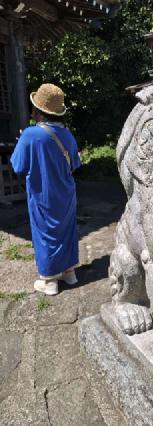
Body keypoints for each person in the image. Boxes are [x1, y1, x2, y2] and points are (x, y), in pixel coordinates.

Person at [11, 83, 81, 295]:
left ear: (37, 111)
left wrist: (23, 141)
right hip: (67, 193)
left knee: (45, 232)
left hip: (44, 194)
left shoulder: (31, 135)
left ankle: (50, 280)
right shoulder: (67, 135)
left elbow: (17, 166)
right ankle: (69, 273)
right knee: (66, 230)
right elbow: (75, 164)